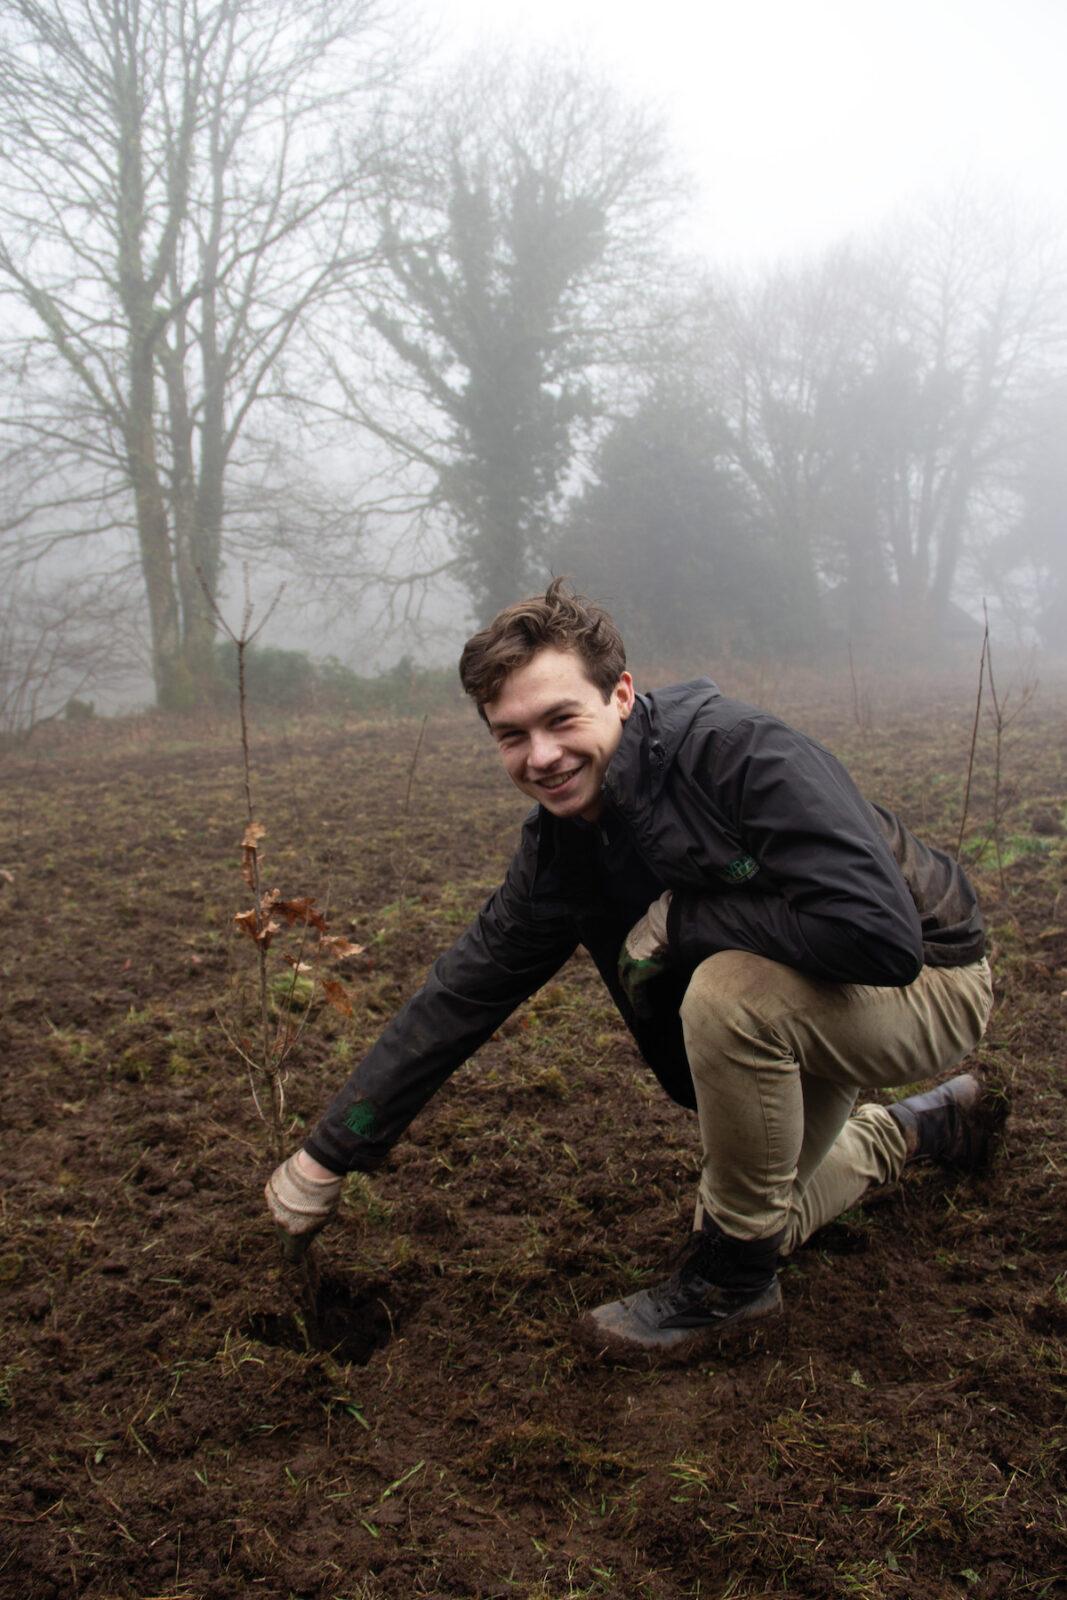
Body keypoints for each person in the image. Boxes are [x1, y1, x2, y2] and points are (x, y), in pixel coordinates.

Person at [266, 580, 999, 1360]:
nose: (540, 757)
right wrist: (328, 1151)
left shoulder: (737, 752)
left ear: (620, 693)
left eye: (560, 719)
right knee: (753, 1220)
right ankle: (913, 1131)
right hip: (807, 997)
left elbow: (882, 938)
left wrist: (686, 921)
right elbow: (463, 992)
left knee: (728, 1001)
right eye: (510, 735)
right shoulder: (560, 850)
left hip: (928, 980)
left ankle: (729, 1296)